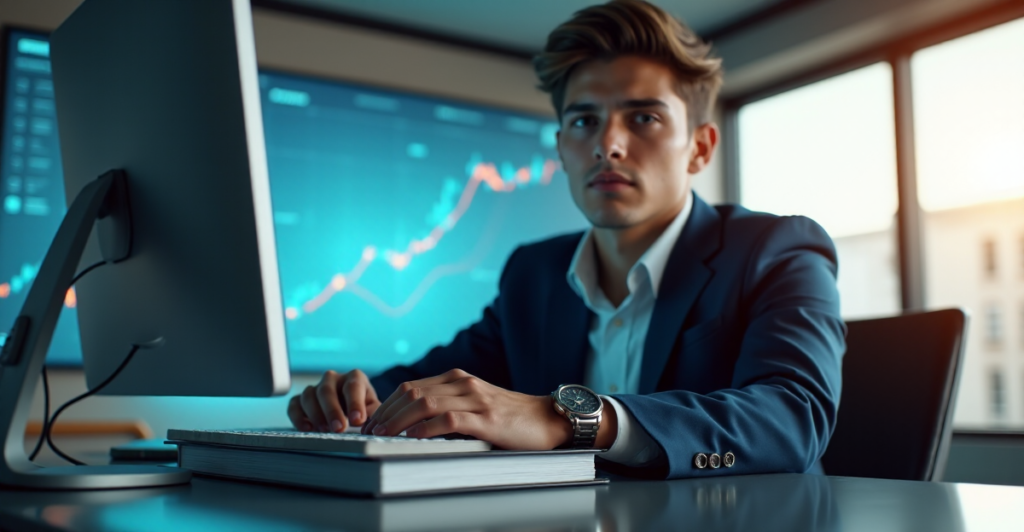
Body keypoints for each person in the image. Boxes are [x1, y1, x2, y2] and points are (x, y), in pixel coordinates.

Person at [286, 0, 845, 478]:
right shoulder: (534, 274)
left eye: (643, 118)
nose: (607, 145)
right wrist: (359, 397)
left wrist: (568, 418)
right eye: (583, 122)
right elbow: (443, 376)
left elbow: (792, 417)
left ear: (700, 147)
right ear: (560, 147)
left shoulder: (777, 249)